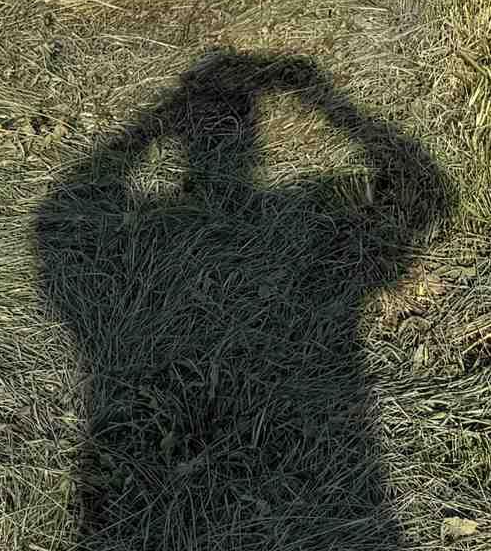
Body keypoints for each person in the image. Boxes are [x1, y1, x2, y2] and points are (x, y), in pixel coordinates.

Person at [34, 53, 452, 548]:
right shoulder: (311, 240)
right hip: (346, 459)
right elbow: (428, 193)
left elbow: (71, 197)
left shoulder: (102, 250)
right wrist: (331, 105)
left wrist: (161, 116)